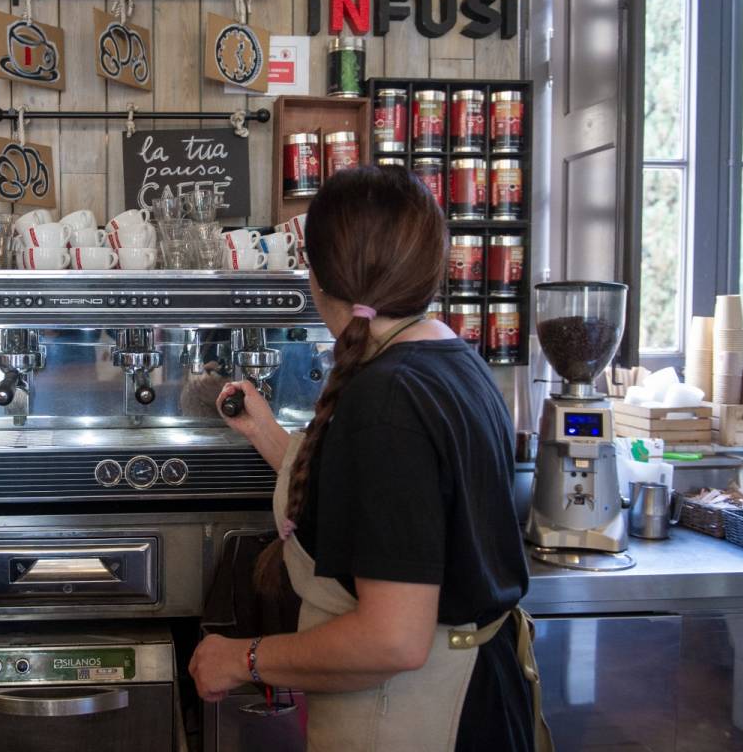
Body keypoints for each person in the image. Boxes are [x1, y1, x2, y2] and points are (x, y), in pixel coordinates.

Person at [188, 167, 548, 752]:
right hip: (483, 691)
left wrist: (243, 659)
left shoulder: (386, 399)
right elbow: (392, 504)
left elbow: (391, 640)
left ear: (318, 277)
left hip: (419, 715)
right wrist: (266, 433)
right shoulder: (455, 361)